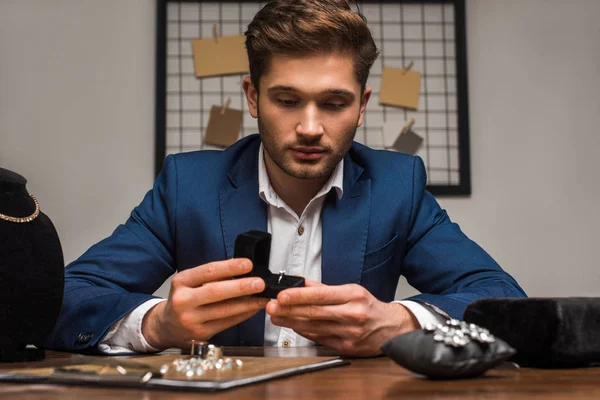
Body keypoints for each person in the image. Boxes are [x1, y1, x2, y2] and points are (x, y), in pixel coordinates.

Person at [44, 0, 525, 357]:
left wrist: (399, 321)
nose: (311, 127)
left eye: (335, 103)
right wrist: (159, 323)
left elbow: (503, 298)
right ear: (252, 98)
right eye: (287, 100)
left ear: (362, 105)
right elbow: (61, 299)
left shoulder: (399, 184)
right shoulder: (186, 185)